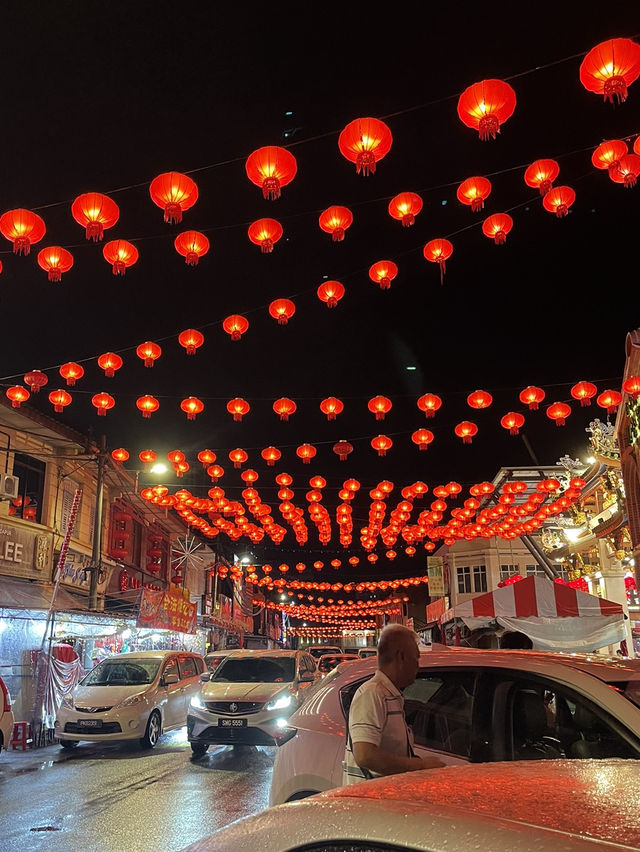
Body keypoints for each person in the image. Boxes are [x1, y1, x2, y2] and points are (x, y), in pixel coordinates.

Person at [343, 623, 445, 784]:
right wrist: (420, 766)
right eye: (416, 658)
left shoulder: (389, 696)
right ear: (401, 657)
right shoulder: (372, 694)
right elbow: (365, 755)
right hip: (371, 803)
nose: (418, 665)